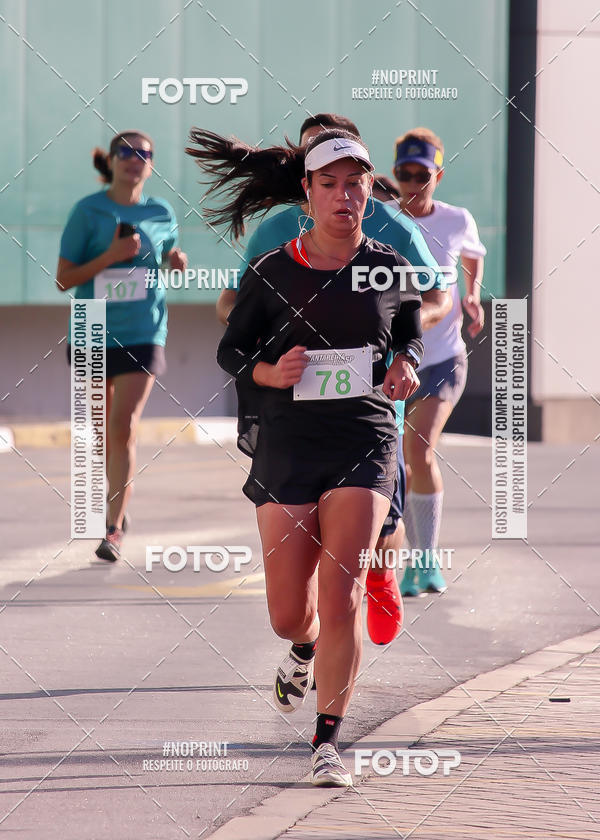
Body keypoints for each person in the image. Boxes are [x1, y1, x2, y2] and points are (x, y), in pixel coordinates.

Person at [187, 127, 424, 785]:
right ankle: (303, 644)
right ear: (308, 193)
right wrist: (270, 372)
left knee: (341, 591)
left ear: (369, 191)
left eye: (355, 184)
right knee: (289, 613)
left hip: (364, 438)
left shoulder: (388, 265)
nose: (344, 196)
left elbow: (410, 333)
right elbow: (232, 350)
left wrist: (405, 363)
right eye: (330, 184)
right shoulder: (274, 269)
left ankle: (327, 743)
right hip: (288, 442)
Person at [215, 113, 453, 647]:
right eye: (321, 169)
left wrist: (400, 350)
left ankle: (381, 575)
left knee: (379, 524)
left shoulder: (392, 228)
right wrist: (266, 345)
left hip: (371, 407)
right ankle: (314, 637)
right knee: (305, 586)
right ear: (306, 176)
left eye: (349, 175)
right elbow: (234, 303)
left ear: (362, 174)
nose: (338, 188)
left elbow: (433, 298)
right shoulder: (276, 232)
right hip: (293, 415)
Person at [56, 130, 187, 562]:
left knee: (123, 425)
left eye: (144, 153)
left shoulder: (161, 211)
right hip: (92, 328)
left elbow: (167, 254)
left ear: (151, 164)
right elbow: (64, 278)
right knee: (102, 436)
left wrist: (174, 261)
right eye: (126, 152)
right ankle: (120, 500)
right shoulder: (88, 211)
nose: (135, 159)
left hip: (143, 330)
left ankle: (112, 528)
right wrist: (110, 256)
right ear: (111, 161)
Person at [388, 128, 486, 596]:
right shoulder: (383, 221)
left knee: (418, 449)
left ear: (437, 176)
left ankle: (425, 562)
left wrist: (472, 294)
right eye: (404, 173)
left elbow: (472, 255)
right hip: (394, 361)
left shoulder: (456, 219)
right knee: (400, 461)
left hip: (443, 357)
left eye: (421, 174)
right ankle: (407, 557)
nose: (412, 182)